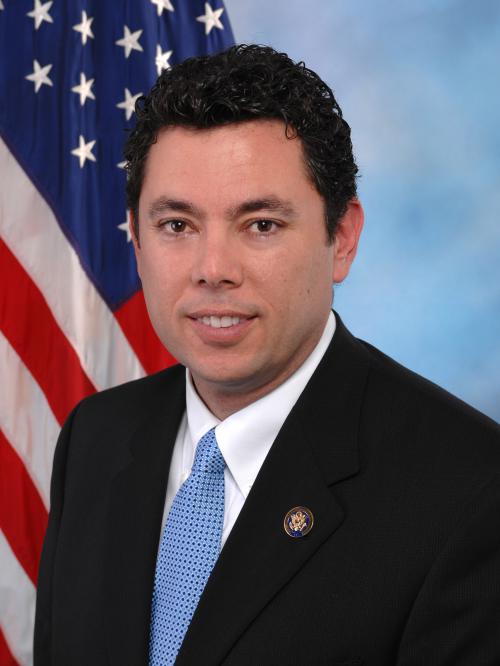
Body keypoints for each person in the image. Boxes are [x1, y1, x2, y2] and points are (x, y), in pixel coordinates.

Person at [34, 44, 500, 666]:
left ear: (342, 238)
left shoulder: (470, 492)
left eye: (261, 225)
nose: (213, 269)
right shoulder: (95, 438)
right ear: (137, 241)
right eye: (177, 225)